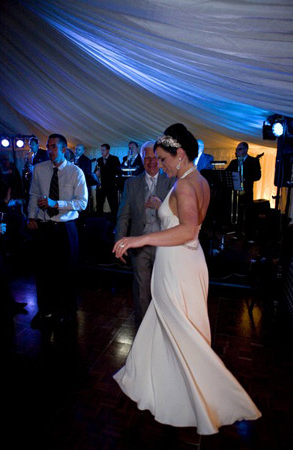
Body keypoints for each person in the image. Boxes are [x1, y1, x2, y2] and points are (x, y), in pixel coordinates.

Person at [112, 123, 261, 435]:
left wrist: (139, 239)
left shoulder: (183, 185)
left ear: (180, 154)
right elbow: (187, 220)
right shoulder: (197, 180)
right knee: (170, 325)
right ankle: (166, 384)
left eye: (163, 159)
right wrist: (160, 209)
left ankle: (201, 396)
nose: (160, 164)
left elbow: (188, 230)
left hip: (178, 267)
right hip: (187, 263)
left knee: (181, 330)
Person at [26, 133, 87, 329]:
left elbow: (82, 203)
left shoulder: (75, 172)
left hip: (66, 228)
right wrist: (31, 217)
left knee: (66, 272)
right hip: (44, 227)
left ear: (63, 150)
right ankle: (45, 310)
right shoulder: (39, 169)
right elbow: (33, 194)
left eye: (54, 147)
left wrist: (56, 203)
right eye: (48, 146)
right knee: (44, 271)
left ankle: (67, 311)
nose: (50, 150)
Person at [114, 141, 174, 326]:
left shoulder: (172, 181)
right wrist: (120, 240)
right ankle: (143, 329)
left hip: (165, 245)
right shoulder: (131, 183)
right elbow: (124, 215)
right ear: (141, 158)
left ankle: (163, 327)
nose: (151, 161)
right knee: (141, 290)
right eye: (147, 157)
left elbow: (178, 214)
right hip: (140, 245)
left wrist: (160, 204)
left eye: (154, 157)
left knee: (164, 289)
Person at [225, 141, 261, 237]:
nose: (237, 151)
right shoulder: (234, 162)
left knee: (248, 213)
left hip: (247, 191)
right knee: (236, 212)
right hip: (234, 192)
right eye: (236, 149)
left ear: (245, 150)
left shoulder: (253, 161)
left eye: (239, 149)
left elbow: (257, 176)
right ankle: (237, 232)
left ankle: (249, 235)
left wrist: (245, 178)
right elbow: (226, 173)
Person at [95, 143, 122, 219]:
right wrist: (96, 173)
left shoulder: (114, 159)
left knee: (113, 206)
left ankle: (115, 222)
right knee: (99, 205)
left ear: (108, 150)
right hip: (101, 186)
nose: (102, 152)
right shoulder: (99, 160)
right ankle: (99, 221)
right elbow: (95, 171)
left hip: (111, 186)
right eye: (101, 150)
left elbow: (118, 171)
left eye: (103, 150)